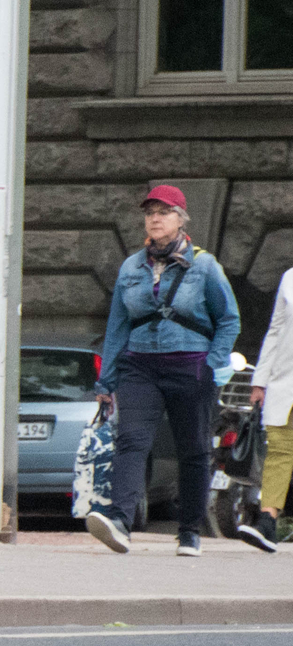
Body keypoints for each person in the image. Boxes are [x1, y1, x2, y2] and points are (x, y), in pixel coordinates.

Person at [87, 183, 241, 557]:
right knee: (132, 441)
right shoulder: (131, 266)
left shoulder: (204, 265)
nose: (155, 218)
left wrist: (212, 362)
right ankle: (120, 520)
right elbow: (117, 328)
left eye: (164, 212)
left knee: (193, 450)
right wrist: (106, 379)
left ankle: (189, 530)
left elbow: (229, 320)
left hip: (190, 364)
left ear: (180, 219)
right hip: (140, 365)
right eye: (150, 212)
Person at [245, 265, 293, 550]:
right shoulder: (290, 277)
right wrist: (260, 380)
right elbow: (276, 329)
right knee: (279, 450)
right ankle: (268, 521)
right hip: (285, 381)